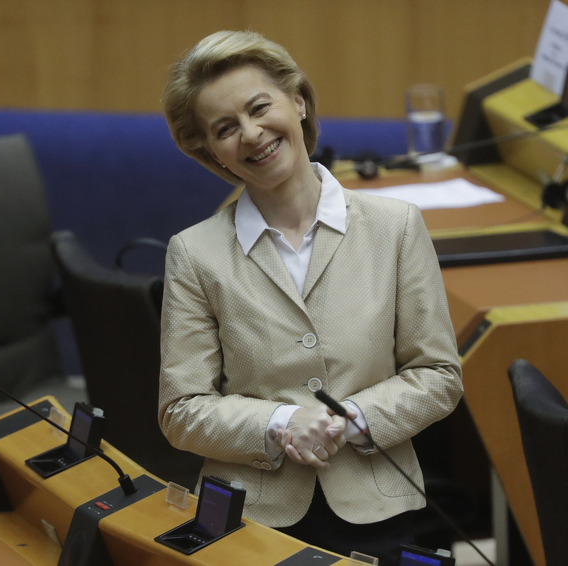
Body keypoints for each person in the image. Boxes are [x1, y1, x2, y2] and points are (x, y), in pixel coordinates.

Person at [158, 30, 463, 564]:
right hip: (249, 518)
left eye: (260, 108)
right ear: (210, 151)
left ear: (298, 101)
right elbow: (182, 410)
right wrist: (280, 423)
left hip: (380, 507)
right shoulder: (194, 253)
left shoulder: (396, 227)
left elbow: (438, 376)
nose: (251, 135)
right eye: (226, 128)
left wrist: (349, 419)